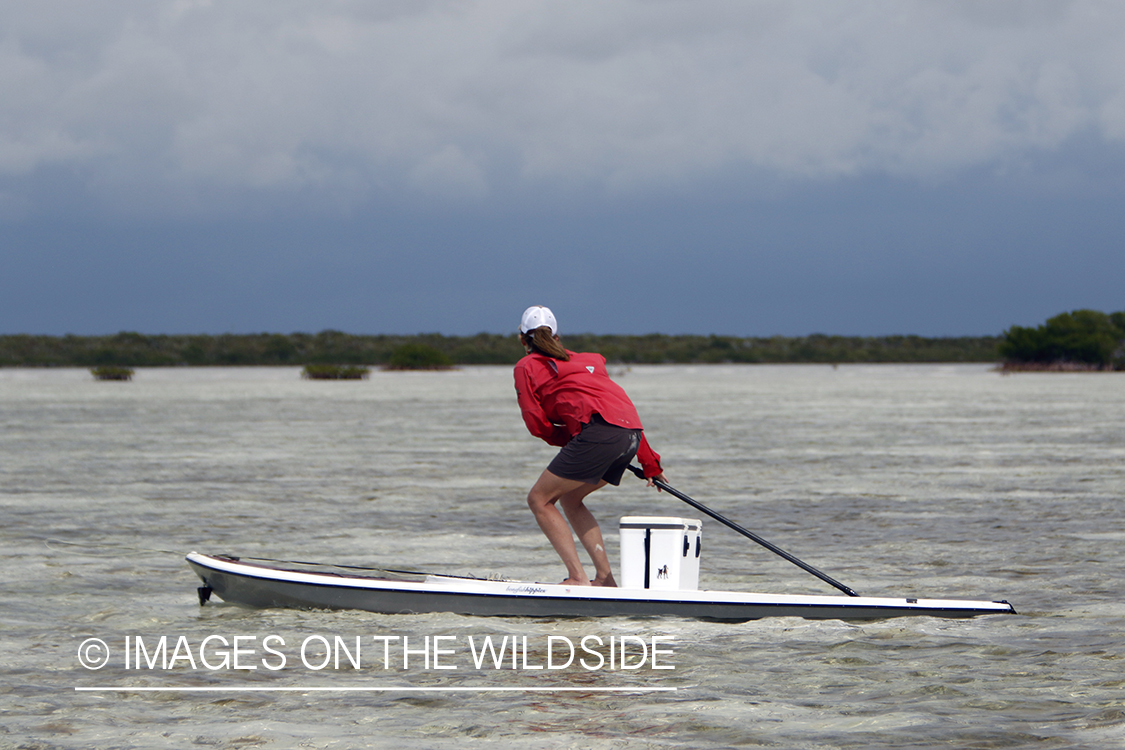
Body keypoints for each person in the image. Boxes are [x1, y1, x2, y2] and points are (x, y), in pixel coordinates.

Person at [514, 305, 666, 587]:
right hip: (630, 436)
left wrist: (570, 440)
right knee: (571, 499)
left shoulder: (526, 366)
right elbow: (622, 412)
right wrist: (650, 464)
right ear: (557, 336)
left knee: (539, 500)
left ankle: (577, 577)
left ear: (523, 339)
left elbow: (536, 423)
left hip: (599, 435)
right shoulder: (591, 362)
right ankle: (605, 579)